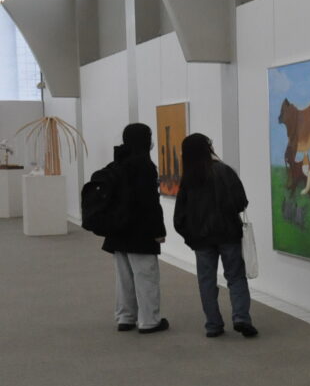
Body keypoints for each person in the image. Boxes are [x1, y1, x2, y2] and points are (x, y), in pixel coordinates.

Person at [173, 133, 257, 338]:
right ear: (207, 148)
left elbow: (179, 216)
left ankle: (213, 324)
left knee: (206, 281)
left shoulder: (188, 179)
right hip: (228, 235)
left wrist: (190, 236)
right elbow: (241, 202)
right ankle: (241, 318)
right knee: (236, 277)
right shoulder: (224, 171)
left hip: (201, 239)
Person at [102, 123, 169, 334]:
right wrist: (159, 231)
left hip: (117, 231)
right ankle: (149, 321)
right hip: (140, 232)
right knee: (146, 276)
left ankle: (125, 317)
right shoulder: (144, 166)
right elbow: (150, 204)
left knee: (123, 279)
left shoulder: (117, 163)